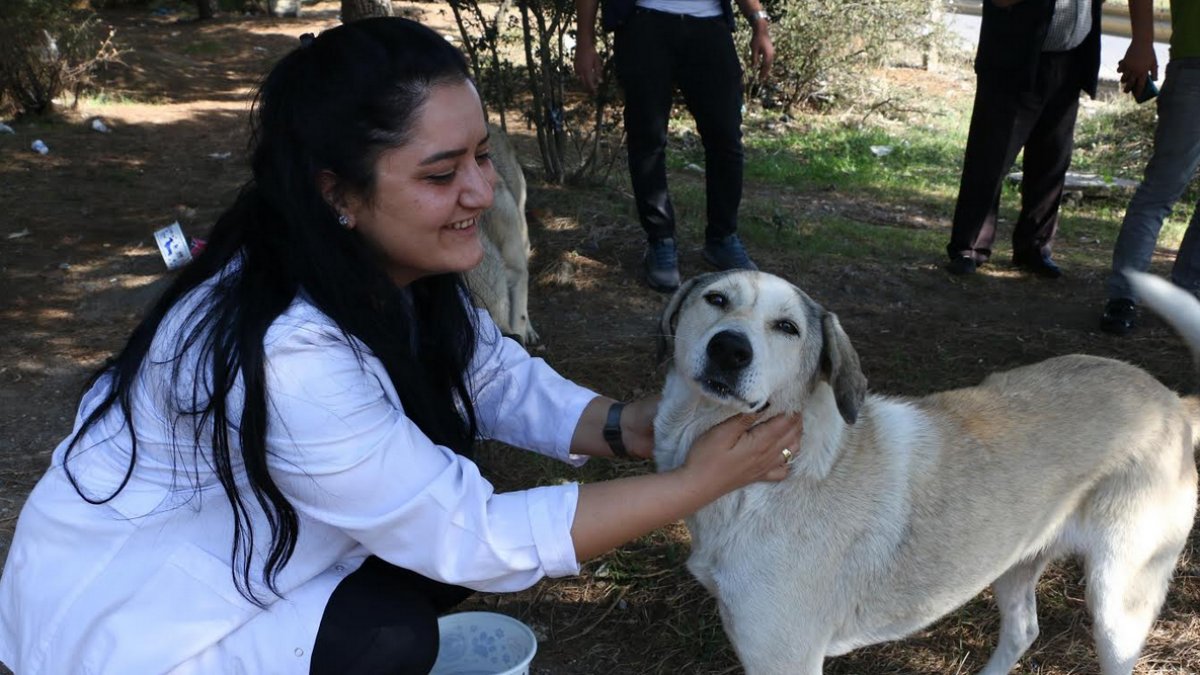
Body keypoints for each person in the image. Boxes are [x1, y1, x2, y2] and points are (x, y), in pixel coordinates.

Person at [0, 18, 802, 675]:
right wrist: (695, 482)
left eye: (483, 156)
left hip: (245, 557)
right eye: (441, 172)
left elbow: (493, 374)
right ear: (338, 192)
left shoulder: (374, 261)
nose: (483, 193)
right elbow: (473, 537)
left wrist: (636, 426)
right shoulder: (289, 354)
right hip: (125, 629)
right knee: (393, 633)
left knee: (415, 578)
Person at [573, 0, 774, 292]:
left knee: (726, 139)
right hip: (645, 24)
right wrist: (584, 41)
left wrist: (759, 23)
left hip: (710, 26)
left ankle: (723, 238)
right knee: (647, 139)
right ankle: (661, 241)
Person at [945, 0, 1103, 278]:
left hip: (1070, 59)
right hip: (1014, 58)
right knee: (991, 157)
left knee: (1052, 159)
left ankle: (1034, 247)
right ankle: (968, 247)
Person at [1100, 0, 1200, 335]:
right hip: (1195, 68)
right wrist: (1142, 43)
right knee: (1160, 192)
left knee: (1158, 194)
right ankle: (1124, 297)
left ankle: (1189, 293)